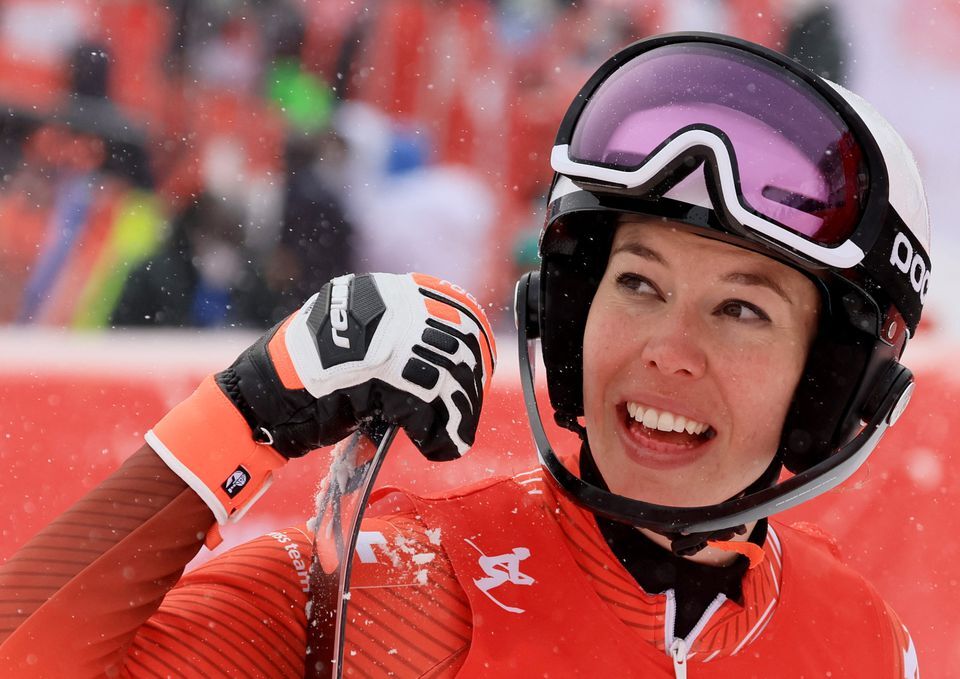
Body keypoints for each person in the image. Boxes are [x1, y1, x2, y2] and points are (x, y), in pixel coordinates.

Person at [0, 33, 928, 678]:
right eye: (638, 284)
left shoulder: (866, 642)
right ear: (568, 319)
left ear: (832, 380)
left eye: (741, 310)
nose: (667, 351)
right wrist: (243, 416)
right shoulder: (405, 585)